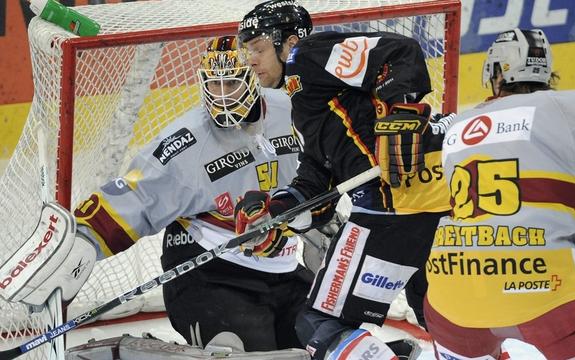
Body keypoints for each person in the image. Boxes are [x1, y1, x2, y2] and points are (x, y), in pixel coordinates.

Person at [0, 36, 320, 353]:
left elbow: (322, 171)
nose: (222, 97)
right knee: (239, 352)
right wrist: (83, 240)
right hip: (209, 272)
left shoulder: (291, 112)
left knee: (329, 344)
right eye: (214, 85)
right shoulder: (186, 142)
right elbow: (138, 195)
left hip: (284, 268)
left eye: (232, 84)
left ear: (255, 79)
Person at [234, 1, 453, 358]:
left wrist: (400, 111)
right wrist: (279, 211)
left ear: (288, 43)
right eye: (248, 51)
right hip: (441, 194)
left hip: (395, 205)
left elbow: (401, 51)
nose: (252, 60)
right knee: (442, 317)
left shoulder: (306, 56)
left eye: (258, 47)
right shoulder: (306, 101)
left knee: (320, 323)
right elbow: (318, 179)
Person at [424, 28, 575, 359]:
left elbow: (489, 214)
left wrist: (570, 237)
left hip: (450, 298)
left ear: (495, 75)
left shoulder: (457, 129)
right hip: (544, 293)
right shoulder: (563, 111)